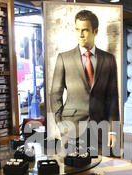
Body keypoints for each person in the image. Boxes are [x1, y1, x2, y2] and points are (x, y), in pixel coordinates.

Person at [50, 10, 119, 148]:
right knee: (72, 167)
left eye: (85, 30)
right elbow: (55, 94)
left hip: (100, 127)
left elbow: (112, 98)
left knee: (100, 167)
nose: (80, 34)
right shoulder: (64, 58)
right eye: (77, 30)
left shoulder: (108, 59)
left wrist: (113, 129)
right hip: (71, 128)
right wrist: (60, 123)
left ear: (95, 31)